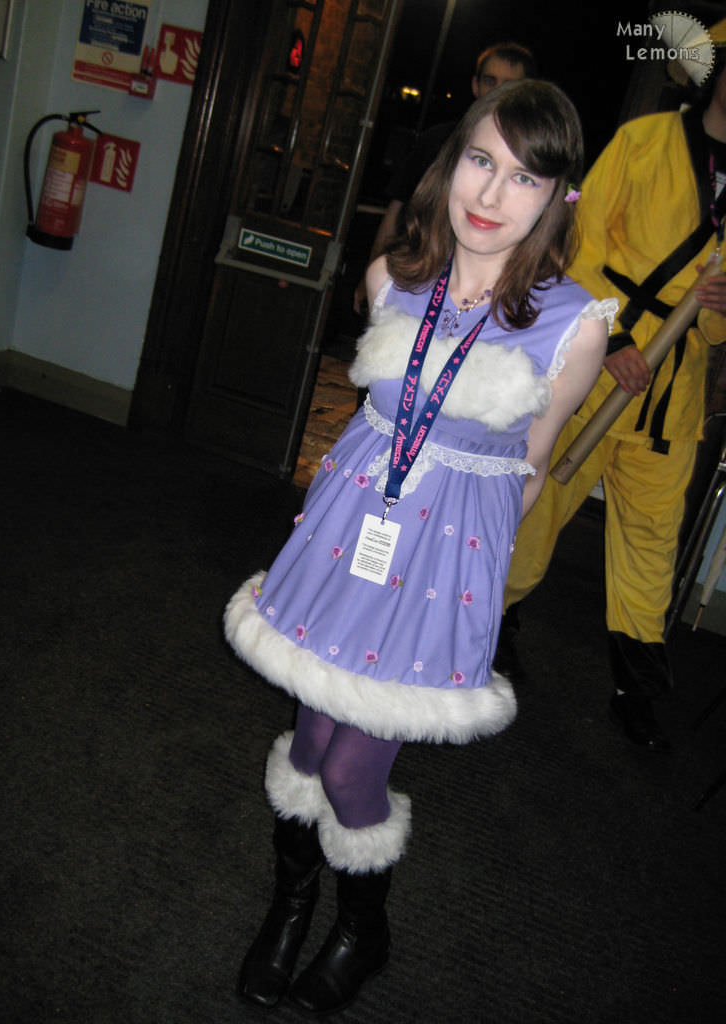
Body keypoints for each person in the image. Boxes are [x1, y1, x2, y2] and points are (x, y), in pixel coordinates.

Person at [225, 80, 613, 1016]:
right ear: (452, 162)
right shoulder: (391, 277)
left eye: (524, 177)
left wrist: (473, 584)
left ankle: (364, 929)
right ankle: (293, 902)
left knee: (354, 766)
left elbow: (529, 471)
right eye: (481, 160)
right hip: (349, 531)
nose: (492, 193)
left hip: (442, 564)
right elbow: (376, 420)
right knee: (309, 744)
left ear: (556, 196)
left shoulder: (576, 326)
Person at [496, 56, 726, 751]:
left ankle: (637, 687)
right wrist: (616, 337)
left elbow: (717, 329)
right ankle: (487, 624)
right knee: (539, 507)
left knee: (652, 542)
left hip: (672, 400)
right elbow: (581, 245)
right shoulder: (644, 141)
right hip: (597, 372)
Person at [353, 42, 536, 314]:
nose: (497, 92)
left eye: (509, 85)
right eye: (490, 81)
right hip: (416, 285)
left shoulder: (533, 163)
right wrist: (371, 276)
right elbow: (395, 214)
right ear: (475, 85)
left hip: (485, 303)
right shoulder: (436, 142)